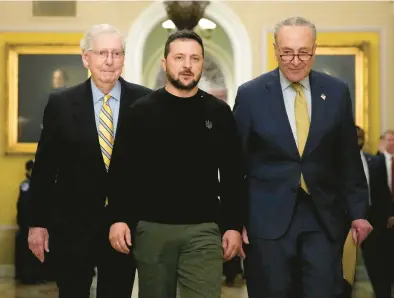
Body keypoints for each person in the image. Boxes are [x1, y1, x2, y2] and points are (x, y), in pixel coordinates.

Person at [233, 16, 372, 298]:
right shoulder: (251, 95)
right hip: (267, 219)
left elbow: (347, 157)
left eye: (303, 52)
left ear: (314, 50)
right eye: (287, 52)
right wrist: (235, 221)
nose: (295, 61)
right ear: (276, 50)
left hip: (323, 217)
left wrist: (358, 212)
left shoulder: (336, 92)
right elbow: (237, 165)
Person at [108, 30, 243, 298]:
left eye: (194, 58)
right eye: (179, 57)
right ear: (164, 63)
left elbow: (232, 174)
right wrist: (118, 218)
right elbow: (122, 171)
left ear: (202, 63)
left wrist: (233, 226)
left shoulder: (219, 112)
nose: (187, 65)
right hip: (151, 230)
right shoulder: (140, 111)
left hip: (204, 230)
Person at [27, 24, 151, 298]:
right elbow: (45, 167)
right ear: (86, 58)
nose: (109, 60)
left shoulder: (144, 101)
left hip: (124, 227)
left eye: (117, 53)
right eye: (102, 53)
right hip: (72, 226)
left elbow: (151, 169)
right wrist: (37, 223)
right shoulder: (61, 104)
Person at [355, 126, 394, 298]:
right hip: (343, 221)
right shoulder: (333, 163)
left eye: (359, 137)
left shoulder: (375, 162)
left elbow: (383, 192)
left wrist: (389, 214)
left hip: (375, 221)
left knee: (378, 264)